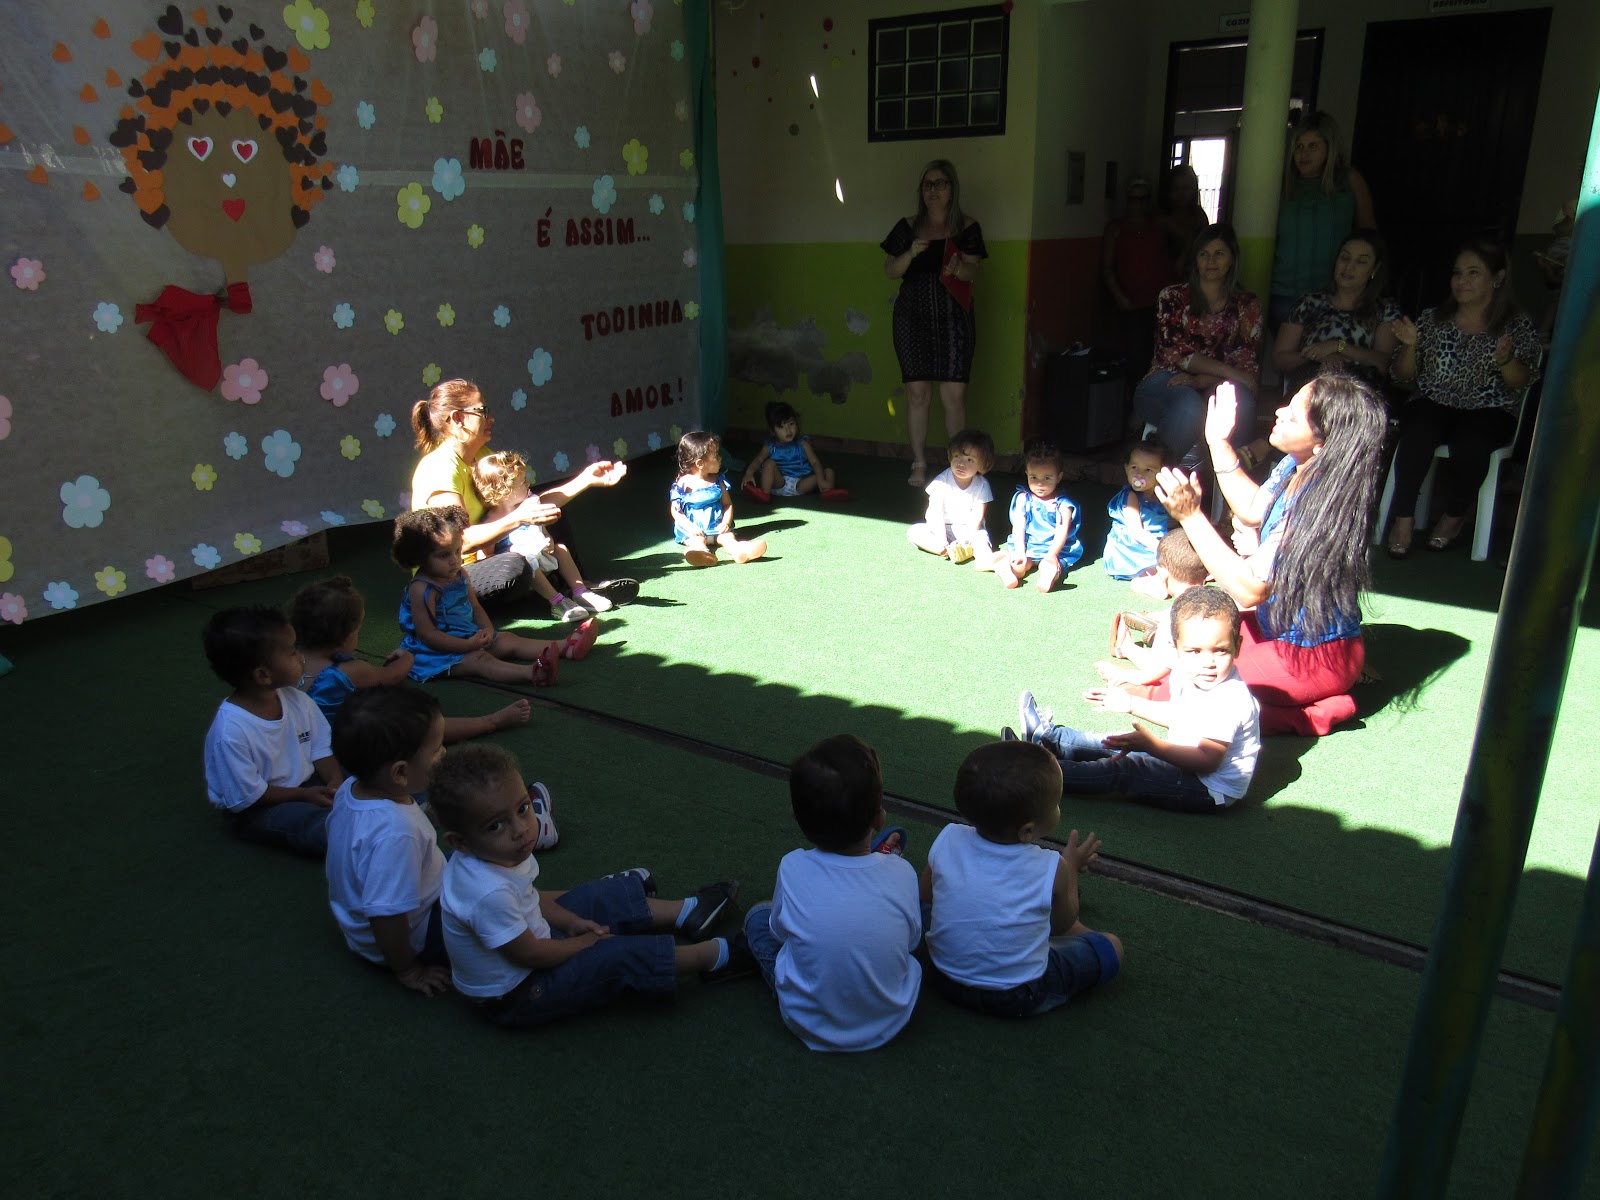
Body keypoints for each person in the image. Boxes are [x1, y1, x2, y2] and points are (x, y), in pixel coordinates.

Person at [430, 743, 749, 1028]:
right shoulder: (487, 892)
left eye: (523, 808)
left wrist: (572, 922)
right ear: (460, 842)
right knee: (612, 955)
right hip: (519, 993)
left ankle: (688, 913)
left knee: (593, 898)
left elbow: (530, 899)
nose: (520, 829)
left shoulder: (494, 854)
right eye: (495, 825)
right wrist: (584, 944)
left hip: (535, 941)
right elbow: (532, 955)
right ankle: (715, 957)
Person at [1156, 374, 1387, 737]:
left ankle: (1315, 714)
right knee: (1186, 657)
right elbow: (1252, 509)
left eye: (1292, 416)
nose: (1278, 413)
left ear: (1322, 444)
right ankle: (1312, 701)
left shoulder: (1317, 503)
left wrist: (1190, 515)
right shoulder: (1297, 464)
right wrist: (1218, 442)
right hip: (1276, 632)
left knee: (1181, 691)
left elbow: (1249, 590)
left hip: (1314, 655)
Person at [742, 735, 923, 1052]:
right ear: (879, 818)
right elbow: (911, 942)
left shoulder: (792, 866)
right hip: (889, 1019)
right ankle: (877, 859)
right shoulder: (904, 873)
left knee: (758, 918)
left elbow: (778, 933)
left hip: (805, 1020)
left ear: (795, 816)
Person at [1013, 586, 1260, 813]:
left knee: (1127, 768)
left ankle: (1032, 777)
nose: (1208, 662)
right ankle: (1049, 738)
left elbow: (1206, 761)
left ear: (1237, 646)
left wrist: (1152, 746)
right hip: (1189, 762)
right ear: (1176, 648)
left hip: (1207, 789)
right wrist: (1131, 704)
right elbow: (1180, 716)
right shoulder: (1186, 673)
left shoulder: (1229, 700)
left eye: (1220, 650)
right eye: (1195, 651)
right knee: (1121, 742)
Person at [921, 740, 1122, 1017]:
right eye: (1056, 805)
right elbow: (1061, 925)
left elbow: (926, 896)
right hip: (1016, 994)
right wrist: (1071, 868)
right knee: (1111, 946)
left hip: (943, 976)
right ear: (1027, 831)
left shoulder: (948, 837)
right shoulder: (1053, 867)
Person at [409, 377, 636, 606]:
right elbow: (460, 541)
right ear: (458, 418)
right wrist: (518, 519)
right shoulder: (439, 468)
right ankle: (552, 588)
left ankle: (577, 588)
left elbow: (524, 504)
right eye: (482, 411)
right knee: (515, 567)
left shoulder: (481, 456)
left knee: (549, 512)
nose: (491, 418)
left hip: (497, 551)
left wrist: (586, 480)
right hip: (453, 573)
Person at [1385, 239, 1542, 556]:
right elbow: (1402, 376)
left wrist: (1506, 361)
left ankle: (1454, 516)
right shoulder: (1432, 319)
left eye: (1473, 273)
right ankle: (1403, 518)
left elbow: (1522, 381)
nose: (1462, 281)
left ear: (1497, 278)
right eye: (1457, 273)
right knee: (1417, 433)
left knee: (1472, 444)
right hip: (1433, 401)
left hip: (1489, 408)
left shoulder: (1516, 325)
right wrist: (1410, 346)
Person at [323, 686, 453, 997]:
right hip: (416, 935)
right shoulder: (397, 833)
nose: (445, 752)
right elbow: (387, 915)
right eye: (436, 749)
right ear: (400, 773)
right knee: (494, 903)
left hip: (370, 921)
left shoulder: (351, 789)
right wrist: (408, 968)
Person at [289, 574, 531, 740]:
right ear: (345, 636)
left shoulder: (292, 660)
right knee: (420, 724)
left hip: (301, 745)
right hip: (349, 744)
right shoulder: (351, 670)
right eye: (357, 631)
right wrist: (406, 657)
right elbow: (393, 676)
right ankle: (491, 722)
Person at [392, 507, 599, 688]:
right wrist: (467, 646)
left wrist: (488, 630)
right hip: (433, 653)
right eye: (443, 555)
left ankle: (566, 647)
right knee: (480, 660)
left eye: (457, 551)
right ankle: (533, 673)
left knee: (507, 640)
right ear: (420, 557)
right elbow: (428, 635)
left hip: (467, 636)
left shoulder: (460, 574)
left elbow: (475, 606)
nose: (455, 560)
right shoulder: (422, 589)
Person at [201, 606, 344, 857]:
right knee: (310, 826)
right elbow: (249, 795)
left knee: (368, 767)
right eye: (292, 651)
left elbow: (320, 748)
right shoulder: (231, 732)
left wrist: (336, 780)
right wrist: (304, 795)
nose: (301, 656)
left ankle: (364, 812)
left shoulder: (297, 700)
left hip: (308, 783)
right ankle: (352, 830)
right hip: (259, 807)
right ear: (263, 675)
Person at [880, 159, 989, 488]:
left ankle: (960, 468)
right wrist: (910, 253)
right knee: (917, 393)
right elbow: (890, 270)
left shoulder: (967, 227)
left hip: (954, 316)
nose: (933, 190)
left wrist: (958, 269)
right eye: (928, 184)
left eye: (940, 183)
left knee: (954, 394)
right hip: (912, 317)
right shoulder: (908, 226)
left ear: (952, 189)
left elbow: (972, 270)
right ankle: (919, 463)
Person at [1133, 223, 1263, 467]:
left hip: (1216, 385)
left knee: (1241, 403)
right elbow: (1175, 353)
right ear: (1195, 259)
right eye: (1204, 253)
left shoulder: (1247, 305)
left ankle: (1230, 484)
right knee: (1189, 405)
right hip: (1166, 380)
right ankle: (1158, 481)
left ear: (1232, 259)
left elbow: (1246, 363)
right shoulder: (1172, 297)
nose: (1210, 261)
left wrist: (1201, 380)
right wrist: (1225, 372)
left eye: (1219, 253)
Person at [471, 450, 614, 622]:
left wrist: (549, 542)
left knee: (561, 549)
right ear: (504, 491)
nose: (528, 484)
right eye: (523, 482)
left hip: (542, 558)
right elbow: (486, 556)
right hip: (522, 570)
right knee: (525, 557)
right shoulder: (491, 521)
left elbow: (543, 532)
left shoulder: (530, 505)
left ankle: (580, 592)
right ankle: (557, 602)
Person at [1268, 111, 1375, 334]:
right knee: (1286, 354)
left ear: (1330, 148)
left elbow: (1369, 237)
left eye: (1313, 146)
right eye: (1299, 146)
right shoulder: (1282, 184)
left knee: (1328, 354)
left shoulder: (1349, 180)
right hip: (1284, 293)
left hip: (1335, 294)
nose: (1304, 154)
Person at [1273, 229, 1401, 398]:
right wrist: (1319, 357)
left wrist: (1338, 346)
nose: (1349, 267)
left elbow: (1385, 364)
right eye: (1345, 258)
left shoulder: (1384, 310)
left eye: (1361, 262)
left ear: (1374, 270)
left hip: (1358, 396)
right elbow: (1279, 359)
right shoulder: (1309, 303)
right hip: (1310, 391)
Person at [1101, 529, 1210, 687]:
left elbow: (1166, 665)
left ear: (1163, 574)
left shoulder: (1177, 617)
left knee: (1162, 662)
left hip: (1184, 680)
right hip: (1214, 669)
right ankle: (1151, 629)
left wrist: (1134, 677)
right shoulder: (1217, 602)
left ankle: (1126, 647)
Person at [987, 439, 1082, 591]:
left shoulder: (1063, 505)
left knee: (1049, 565)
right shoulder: (1023, 498)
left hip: (1055, 548)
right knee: (1020, 565)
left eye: (1047, 478)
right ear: (1027, 475)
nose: (1040, 484)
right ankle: (1006, 568)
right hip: (1028, 546)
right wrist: (1020, 551)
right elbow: (1018, 527)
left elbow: (1062, 532)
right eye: (1034, 477)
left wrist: (1052, 555)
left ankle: (1048, 575)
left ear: (1058, 477)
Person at [1101, 175, 1171, 375]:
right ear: (1127, 201)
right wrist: (1120, 298)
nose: (1138, 204)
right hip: (1130, 304)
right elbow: (1107, 268)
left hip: (1159, 303)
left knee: (1159, 352)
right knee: (1135, 357)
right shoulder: (1116, 229)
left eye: (1143, 199)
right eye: (1134, 199)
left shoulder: (1159, 225)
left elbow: (1190, 236)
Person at [671, 431, 767, 567]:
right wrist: (690, 527)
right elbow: (676, 511)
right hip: (694, 530)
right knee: (697, 541)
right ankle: (700, 553)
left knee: (728, 538)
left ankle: (740, 552)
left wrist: (726, 522)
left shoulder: (718, 480)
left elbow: (727, 504)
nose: (720, 458)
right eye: (716, 455)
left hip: (717, 527)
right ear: (700, 463)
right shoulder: (683, 484)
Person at [907, 427, 996, 564]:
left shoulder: (982, 485)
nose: (961, 464)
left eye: (970, 460)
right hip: (943, 527)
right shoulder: (941, 481)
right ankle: (945, 549)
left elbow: (978, 516)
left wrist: (965, 539)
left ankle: (985, 560)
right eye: (957, 457)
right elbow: (935, 513)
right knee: (914, 531)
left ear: (983, 464)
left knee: (981, 540)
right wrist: (941, 539)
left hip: (969, 529)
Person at [740, 400, 848, 501]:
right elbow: (758, 460)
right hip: (778, 483)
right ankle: (764, 493)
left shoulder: (802, 443)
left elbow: (815, 462)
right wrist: (749, 473)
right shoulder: (770, 446)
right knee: (769, 463)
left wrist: (821, 480)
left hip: (800, 484)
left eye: (791, 424)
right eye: (782, 427)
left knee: (828, 471)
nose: (788, 430)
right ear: (772, 431)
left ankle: (827, 490)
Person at [1102, 438, 1171, 580]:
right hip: (1131, 551)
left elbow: (1167, 521)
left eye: (1148, 470)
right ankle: (1148, 578)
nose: (1139, 474)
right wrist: (1164, 549)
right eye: (1134, 467)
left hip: (1154, 543)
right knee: (1169, 564)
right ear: (1126, 467)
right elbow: (1137, 532)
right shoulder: (1130, 497)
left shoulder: (1160, 495)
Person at [1159, 164, 1208, 277]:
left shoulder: (1199, 216)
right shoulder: (1160, 218)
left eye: (1185, 188)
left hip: (1193, 275)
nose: (1180, 194)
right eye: (1175, 189)